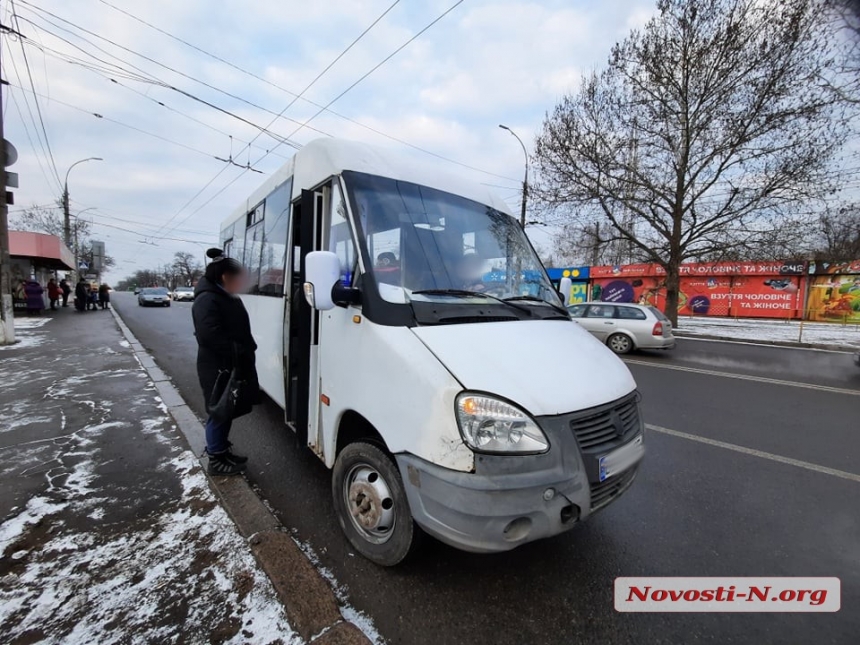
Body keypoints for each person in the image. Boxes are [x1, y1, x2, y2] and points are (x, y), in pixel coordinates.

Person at [192, 248, 259, 476]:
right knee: (219, 412)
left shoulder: (222, 295)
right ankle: (215, 459)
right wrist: (237, 351)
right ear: (224, 277)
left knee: (227, 410)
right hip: (218, 366)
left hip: (229, 364)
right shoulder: (207, 299)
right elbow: (208, 335)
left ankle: (221, 450)